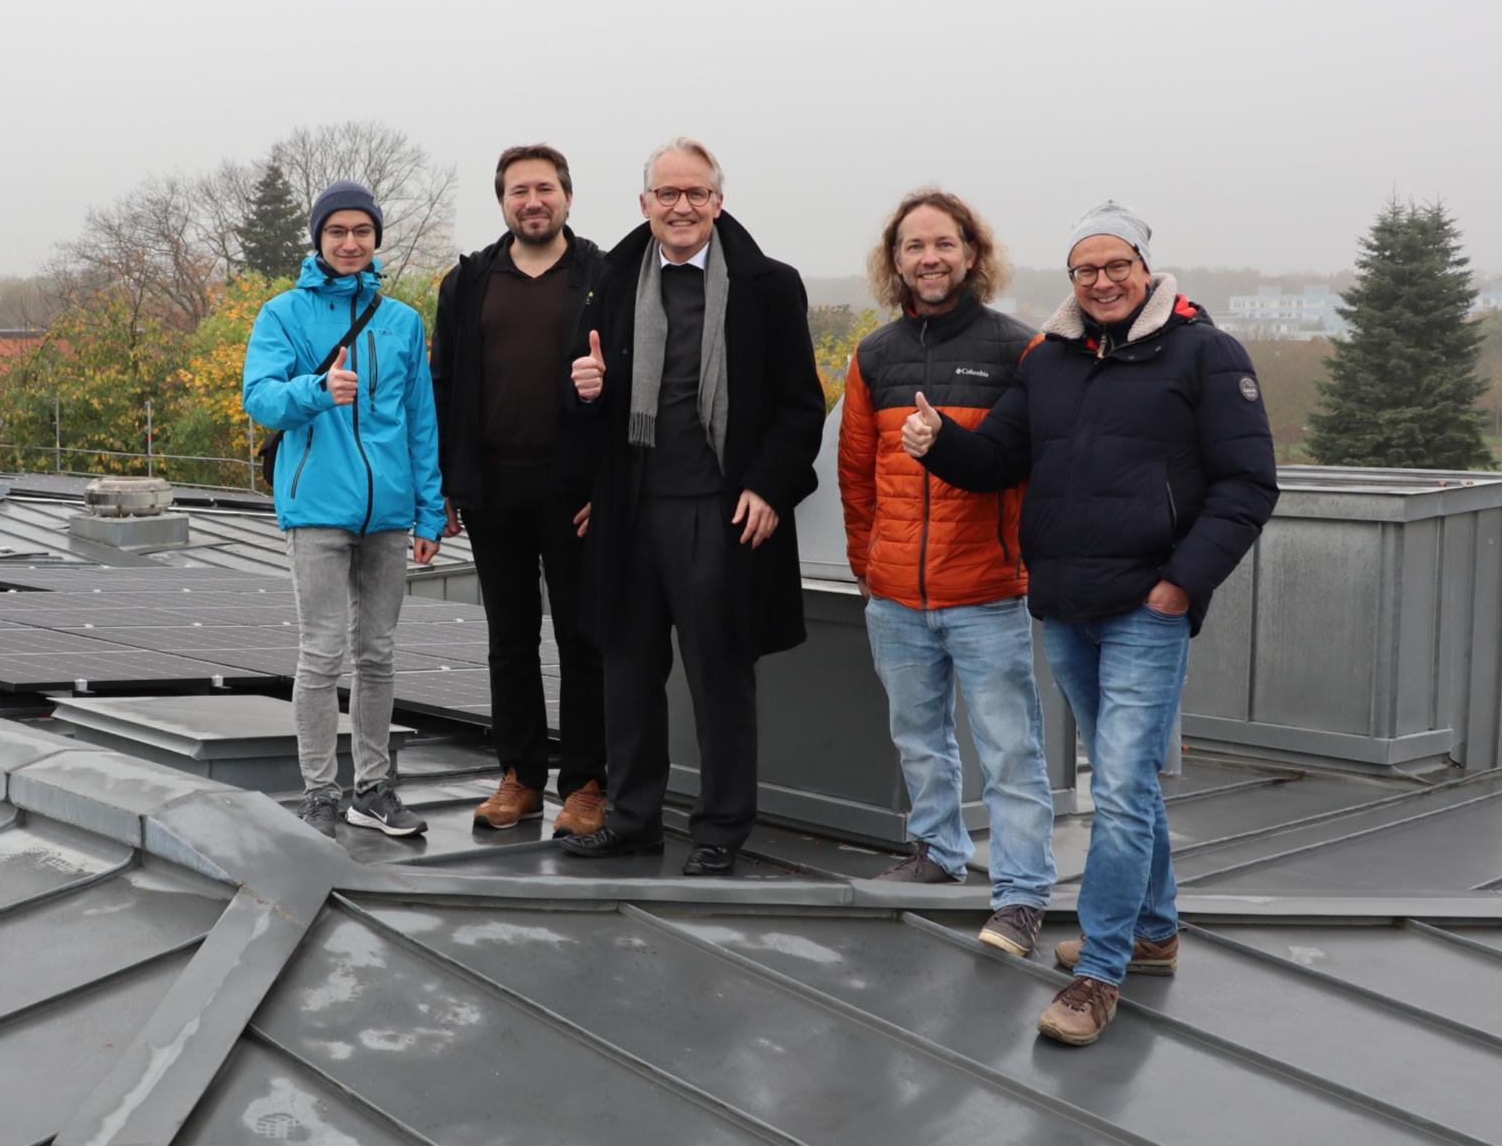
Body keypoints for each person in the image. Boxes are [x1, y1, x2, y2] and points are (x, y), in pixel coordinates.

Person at [905, 199, 1277, 1045]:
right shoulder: (1052, 359)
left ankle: (1100, 971)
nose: (1102, 282)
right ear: (1070, 278)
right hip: (1068, 607)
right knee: (1131, 786)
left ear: (1146, 268)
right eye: (1085, 269)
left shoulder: (1206, 355)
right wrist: (940, 443)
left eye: (1117, 266)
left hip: (1148, 606)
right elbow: (1001, 457)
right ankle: (1153, 932)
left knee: (1116, 788)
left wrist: (1182, 584)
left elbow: (1249, 484)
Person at [560, 138, 827, 876]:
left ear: (718, 201)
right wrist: (587, 395)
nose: (681, 207)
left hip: (720, 509)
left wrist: (771, 486)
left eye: (696, 194)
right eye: (666, 194)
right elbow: (588, 404)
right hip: (633, 511)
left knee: (718, 676)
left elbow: (801, 407)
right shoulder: (611, 281)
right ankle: (634, 818)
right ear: (644, 203)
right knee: (628, 674)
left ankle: (719, 828)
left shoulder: (767, 285)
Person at [838, 188, 1058, 957]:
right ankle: (936, 850)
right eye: (913, 247)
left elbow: (1026, 467)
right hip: (895, 596)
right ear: (895, 262)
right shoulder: (873, 355)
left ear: (971, 253)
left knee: (1011, 751)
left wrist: (1019, 564)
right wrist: (870, 565)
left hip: (987, 593)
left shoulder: (1018, 349)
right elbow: (857, 475)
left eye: (943, 244)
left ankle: (1024, 894)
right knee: (919, 739)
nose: (928, 258)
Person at [242, 180, 446, 841]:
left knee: (378, 653)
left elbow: (421, 423)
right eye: (338, 232)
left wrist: (430, 511)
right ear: (319, 239)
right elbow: (261, 399)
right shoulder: (283, 315)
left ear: (376, 238)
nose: (351, 242)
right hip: (317, 510)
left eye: (362, 231)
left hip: (387, 513)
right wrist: (317, 389)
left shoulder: (403, 322)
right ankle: (320, 792)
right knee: (322, 653)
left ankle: (372, 788)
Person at [433, 145, 610, 837]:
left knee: (582, 637)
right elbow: (446, 383)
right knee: (509, 637)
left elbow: (627, 382)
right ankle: (520, 776)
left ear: (567, 195)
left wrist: (609, 484)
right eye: (518, 191)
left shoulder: (603, 274)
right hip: (492, 485)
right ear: (502, 201)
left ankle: (589, 781)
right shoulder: (471, 280)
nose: (532, 201)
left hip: (575, 488)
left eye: (544, 188)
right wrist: (447, 481)